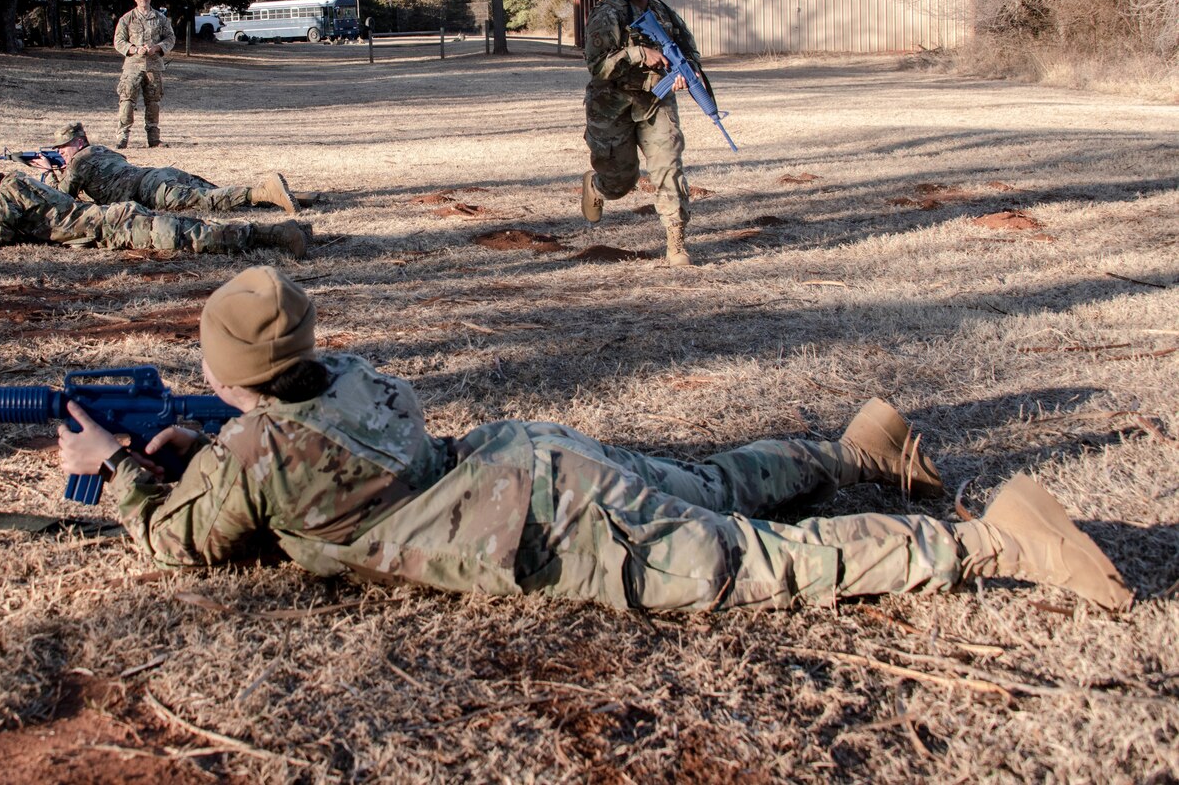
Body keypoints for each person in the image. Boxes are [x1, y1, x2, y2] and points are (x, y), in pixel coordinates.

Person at [59, 266, 1133, 615]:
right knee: (712, 484)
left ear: (227, 379)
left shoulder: (263, 457)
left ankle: (995, 543)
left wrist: (106, 468)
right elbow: (279, 453)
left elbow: (186, 543)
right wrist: (189, 449)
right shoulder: (348, 377)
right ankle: (851, 452)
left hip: (532, 524)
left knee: (744, 563)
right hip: (529, 458)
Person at [582, 0, 708, 267]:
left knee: (669, 164)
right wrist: (639, 54)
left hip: (655, 101)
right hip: (612, 105)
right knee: (621, 180)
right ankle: (597, 186)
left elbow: (689, 50)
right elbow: (597, 66)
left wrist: (686, 71)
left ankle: (676, 241)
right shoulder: (607, 14)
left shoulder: (663, 14)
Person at [0, 162, 310, 258]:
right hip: (116, 215)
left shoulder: (6, 197)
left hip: (111, 227)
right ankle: (292, 232)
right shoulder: (20, 181)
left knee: (192, 235)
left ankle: (276, 235)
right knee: (190, 225)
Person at [27, 122, 298, 215]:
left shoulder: (78, 163)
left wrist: (51, 171)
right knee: (214, 191)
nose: (61, 151)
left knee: (207, 200)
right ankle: (278, 198)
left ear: (77, 142)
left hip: (150, 189)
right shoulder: (99, 150)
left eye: (63, 146)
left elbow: (63, 198)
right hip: (159, 174)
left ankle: (265, 192)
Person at [112, 0, 175, 148]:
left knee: (153, 103)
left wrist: (158, 48)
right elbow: (118, 41)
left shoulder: (160, 18)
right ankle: (122, 138)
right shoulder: (127, 19)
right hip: (133, 66)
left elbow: (170, 38)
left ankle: (153, 139)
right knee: (127, 101)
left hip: (154, 66)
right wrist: (133, 49)